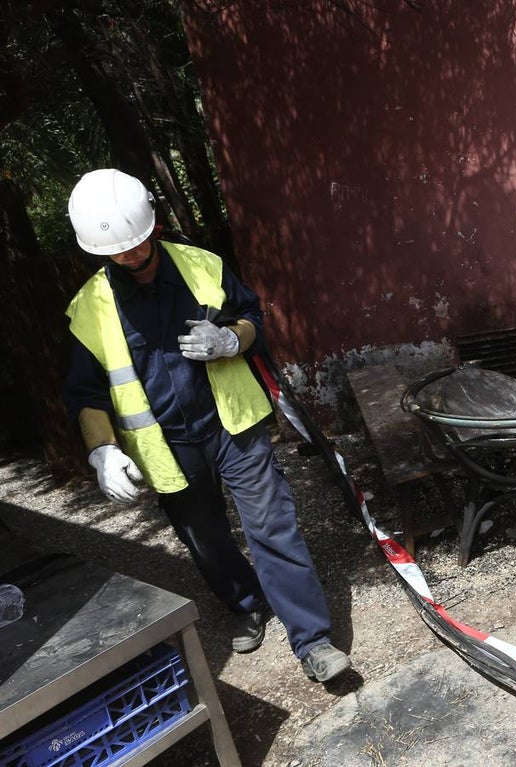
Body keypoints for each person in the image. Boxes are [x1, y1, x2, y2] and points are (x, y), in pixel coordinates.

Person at [62, 168, 351, 683]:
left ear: (153, 223)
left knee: (272, 528)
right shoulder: (90, 308)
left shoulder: (202, 267)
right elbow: (85, 393)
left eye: (138, 241)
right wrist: (101, 450)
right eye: (117, 249)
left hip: (232, 427)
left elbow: (253, 319)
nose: (130, 254)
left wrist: (231, 341)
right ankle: (246, 603)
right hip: (165, 446)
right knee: (207, 540)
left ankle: (313, 640)